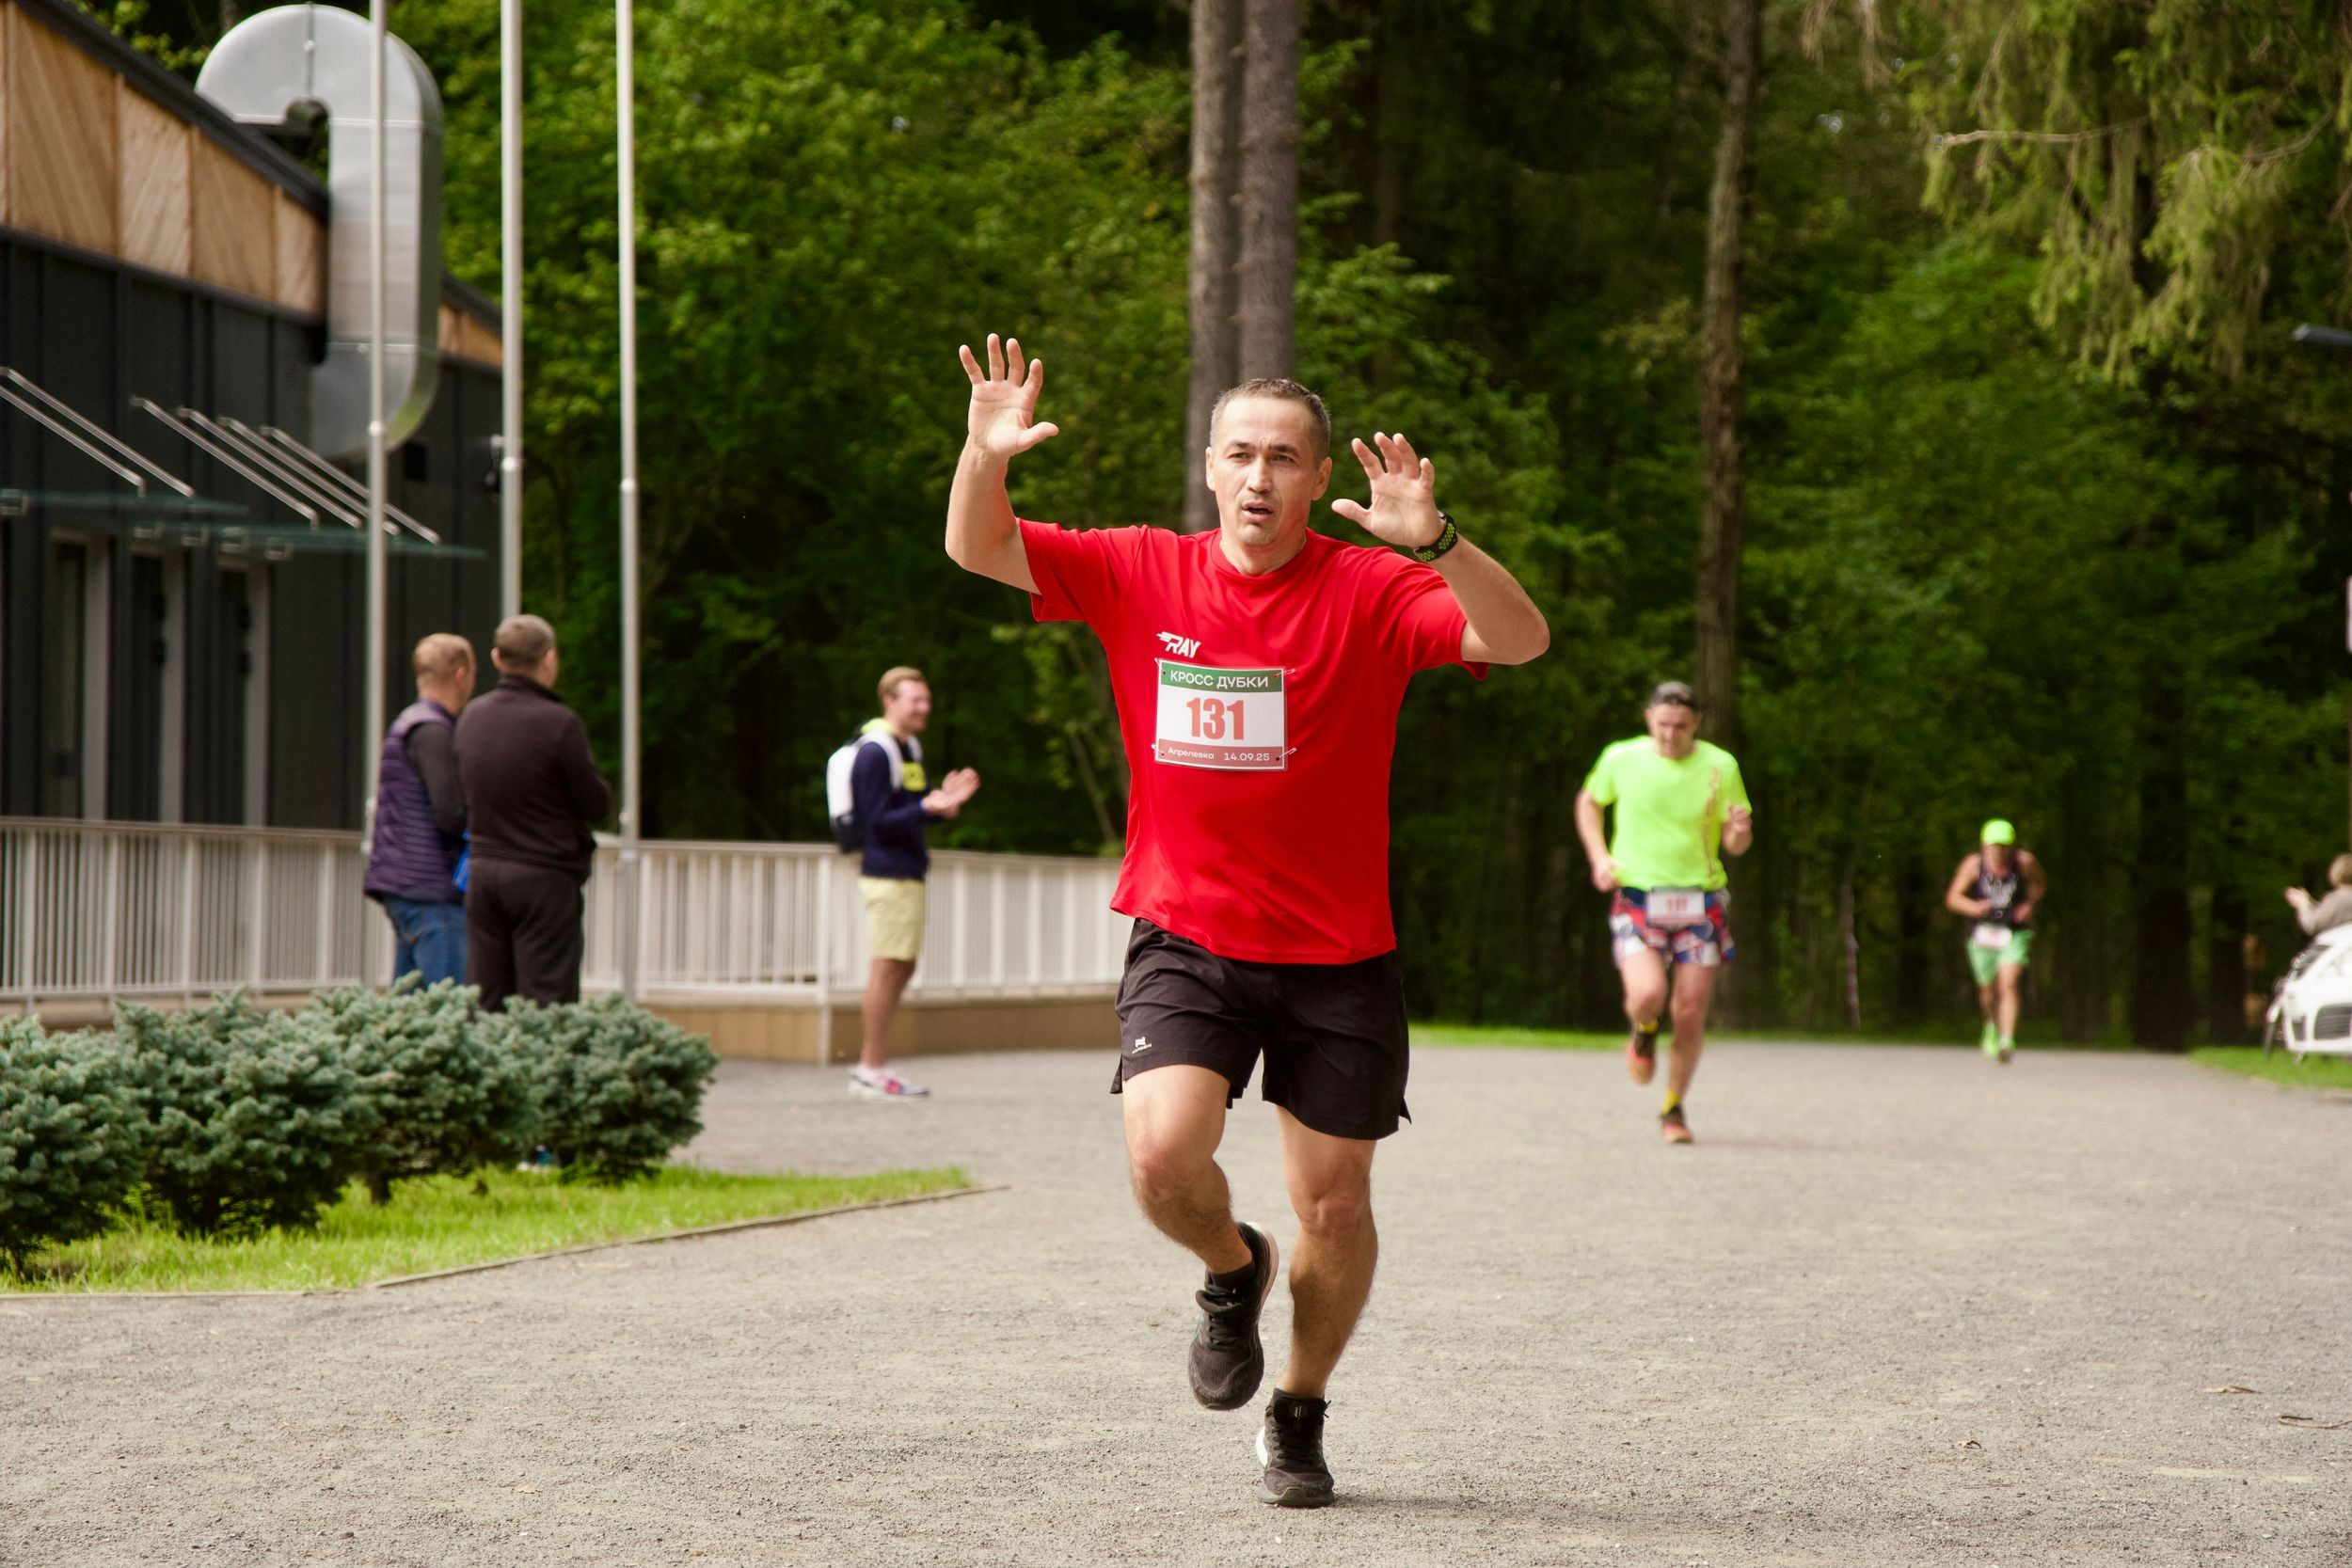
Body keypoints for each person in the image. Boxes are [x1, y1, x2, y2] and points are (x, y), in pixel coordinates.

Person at [945, 334, 1549, 1507]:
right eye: (1239, 454)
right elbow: (978, 547)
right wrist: (984, 455)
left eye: (1283, 456)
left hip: (1338, 952)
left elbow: (1518, 639)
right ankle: (1234, 1267)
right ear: (1209, 468)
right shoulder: (1139, 569)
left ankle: (1300, 1407)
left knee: (1336, 1201)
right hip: (1189, 930)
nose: (1259, 476)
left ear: (1318, 477)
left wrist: (1437, 541)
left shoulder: (1372, 589)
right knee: (1164, 1153)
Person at [1573, 682, 1754, 1145]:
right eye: (1663, 725)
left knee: (1691, 1010)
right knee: (1648, 993)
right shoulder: (1621, 758)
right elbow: (1589, 801)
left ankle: (1673, 1107)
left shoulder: (1720, 765)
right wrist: (1599, 857)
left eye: (1681, 727)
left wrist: (1738, 832)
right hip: (1638, 895)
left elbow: (1737, 843)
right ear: (1648, 717)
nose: (1671, 735)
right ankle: (1645, 1029)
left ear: (1696, 724)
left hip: (1701, 899)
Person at [453, 614, 612, 1012]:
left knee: (487, 997)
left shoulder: (471, 717)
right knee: (546, 1002)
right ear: (548, 659)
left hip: (484, 875)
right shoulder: (559, 724)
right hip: (544, 876)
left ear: (495, 658)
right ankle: (541, 1075)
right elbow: (598, 805)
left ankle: (488, 1072)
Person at [845, 666, 981, 1101]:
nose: (925, 707)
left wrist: (938, 807)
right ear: (889, 701)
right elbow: (875, 822)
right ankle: (869, 1067)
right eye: (915, 700)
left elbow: (910, 812)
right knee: (887, 968)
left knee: (901, 966)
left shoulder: (910, 747)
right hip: (886, 875)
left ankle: (874, 1064)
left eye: (926, 699)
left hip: (907, 871)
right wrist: (928, 807)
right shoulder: (874, 752)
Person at [363, 634, 477, 987]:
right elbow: (449, 812)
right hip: (431, 887)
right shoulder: (434, 731)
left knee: (410, 1016)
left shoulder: (407, 723)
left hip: (404, 883)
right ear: (461, 675)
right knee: (446, 1010)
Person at [1943, 819, 2046, 1064]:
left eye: (2003, 846)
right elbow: (1953, 898)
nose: (1998, 852)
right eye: (1993, 846)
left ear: (2011, 847)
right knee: (1988, 991)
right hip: (1983, 933)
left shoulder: (2024, 863)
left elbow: (2039, 884)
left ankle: (2007, 1039)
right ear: (1983, 846)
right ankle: (1990, 1025)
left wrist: (2029, 905)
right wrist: (1974, 907)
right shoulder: (1973, 865)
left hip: (2014, 931)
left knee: (2009, 982)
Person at [2285, 854, 2352, 939]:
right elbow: (2330, 915)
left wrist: (2302, 903)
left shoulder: (2339, 898)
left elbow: (2313, 924)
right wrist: (2309, 902)